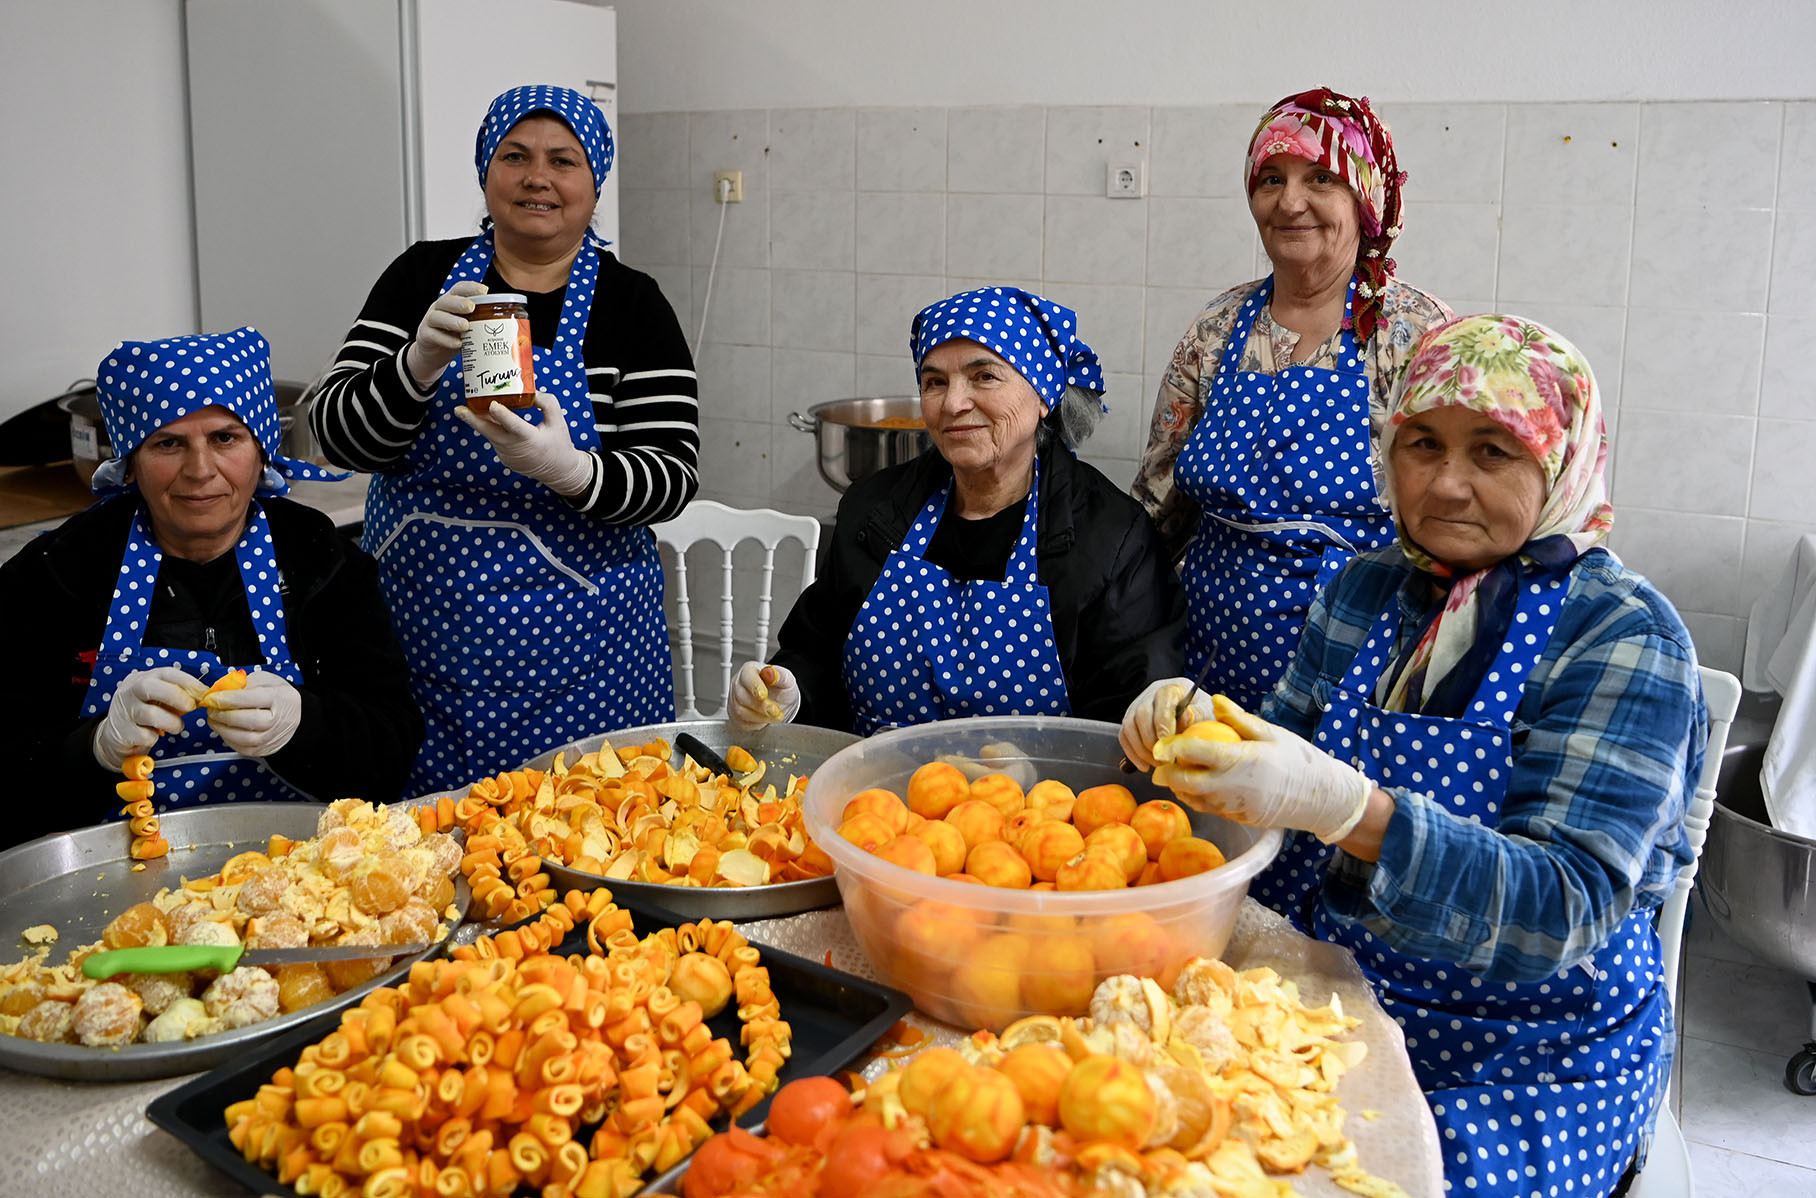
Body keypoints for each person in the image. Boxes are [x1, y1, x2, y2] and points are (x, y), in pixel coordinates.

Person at [1124, 315, 1707, 1198]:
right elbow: (1273, 781)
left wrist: (1347, 811)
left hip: (1529, 1055)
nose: (1445, 484)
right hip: (1334, 995)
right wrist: (1194, 740)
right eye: (1422, 444)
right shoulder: (1366, 588)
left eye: (1493, 452)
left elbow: (1564, 906)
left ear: (1560, 462)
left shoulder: (1620, 635)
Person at [309, 84, 697, 793]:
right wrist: (415, 365)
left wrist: (572, 471)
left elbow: (672, 476)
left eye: (563, 160)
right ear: (486, 172)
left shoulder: (633, 304)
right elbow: (338, 435)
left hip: (584, 657)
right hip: (419, 638)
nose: (536, 177)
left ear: (595, 184)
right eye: (514, 156)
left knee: (580, 831)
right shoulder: (420, 278)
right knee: (419, 840)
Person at [0, 328, 423, 850]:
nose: (200, 471)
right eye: (168, 443)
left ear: (262, 451)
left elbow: (391, 760)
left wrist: (304, 726)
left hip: (301, 867)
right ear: (130, 462)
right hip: (114, 872)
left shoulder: (322, 563)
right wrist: (96, 748)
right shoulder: (56, 576)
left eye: (225, 438)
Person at [731, 287, 1185, 734]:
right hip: (870, 781)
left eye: (984, 376)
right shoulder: (874, 511)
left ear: (1043, 396)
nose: (953, 403)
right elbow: (816, 653)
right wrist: (789, 693)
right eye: (935, 382)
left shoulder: (1111, 538)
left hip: (1038, 783)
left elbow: (1124, 717)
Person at [1133, 87, 1453, 710]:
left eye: (1321, 179)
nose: (1290, 201)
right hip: (1206, 655)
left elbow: (1451, 513)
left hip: (1355, 666)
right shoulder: (1219, 326)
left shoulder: (1417, 333)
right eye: (1271, 178)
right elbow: (1157, 500)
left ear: (1364, 198)